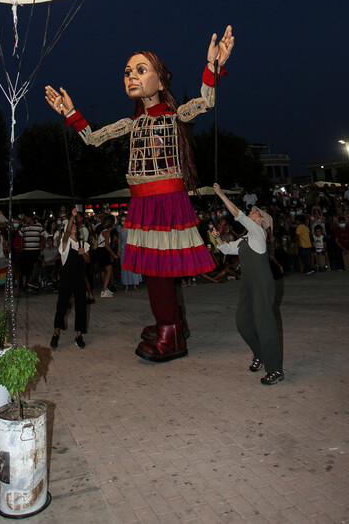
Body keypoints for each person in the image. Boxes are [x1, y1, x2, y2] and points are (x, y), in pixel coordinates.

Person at [46, 26, 234, 362]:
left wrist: (213, 67)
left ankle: (170, 334)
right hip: (143, 201)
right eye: (128, 72)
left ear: (161, 82)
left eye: (141, 70)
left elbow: (206, 101)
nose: (131, 76)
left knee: (159, 270)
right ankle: (173, 323)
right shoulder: (131, 124)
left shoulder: (175, 116)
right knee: (155, 269)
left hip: (164, 199)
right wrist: (70, 112)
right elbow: (91, 138)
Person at [212, 183, 284, 385]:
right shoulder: (245, 240)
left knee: (265, 326)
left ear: (261, 221)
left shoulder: (259, 234)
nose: (252, 213)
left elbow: (238, 214)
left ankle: (275, 370)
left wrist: (220, 193)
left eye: (256, 213)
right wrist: (217, 239)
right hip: (248, 285)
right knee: (243, 323)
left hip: (261, 285)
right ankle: (260, 354)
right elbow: (226, 250)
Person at [50, 209, 90, 350]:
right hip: (66, 278)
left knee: (81, 306)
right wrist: (72, 216)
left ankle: (79, 336)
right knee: (61, 305)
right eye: (70, 225)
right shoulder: (64, 243)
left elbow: (88, 259)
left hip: (79, 278)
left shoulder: (82, 243)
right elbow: (66, 233)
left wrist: (83, 253)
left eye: (74, 225)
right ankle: (56, 334)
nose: (73, 226)